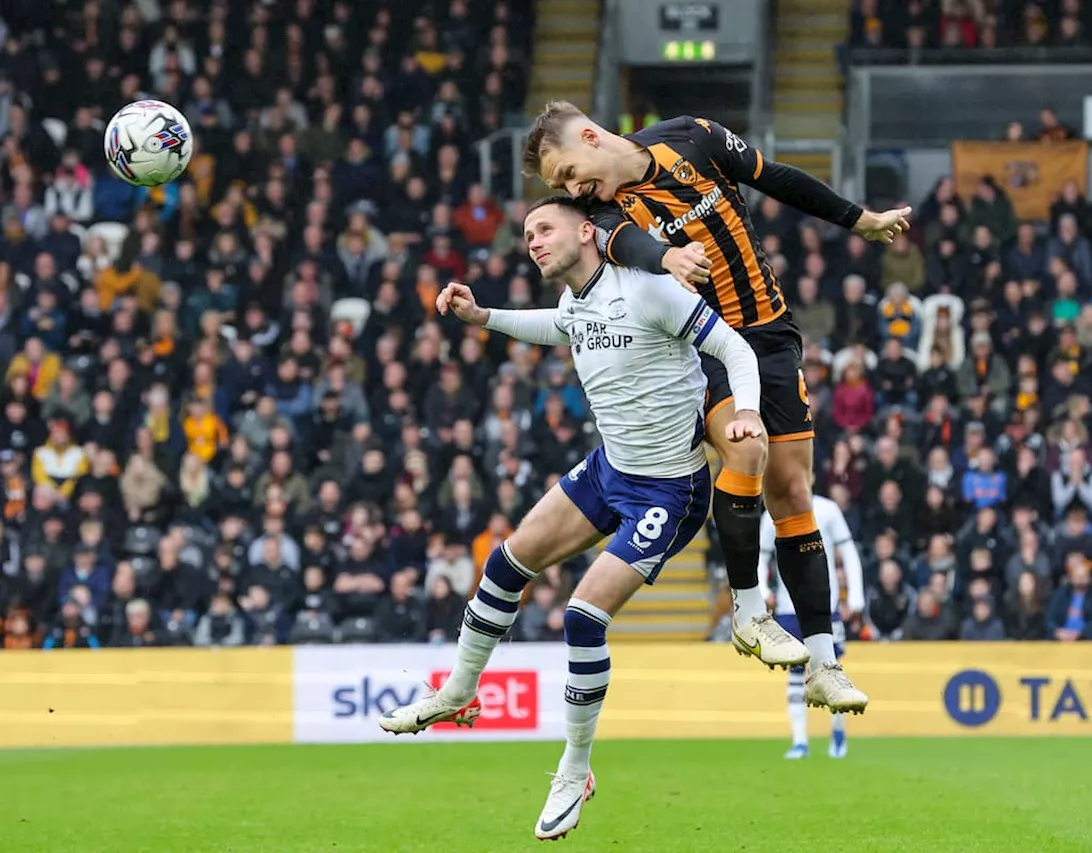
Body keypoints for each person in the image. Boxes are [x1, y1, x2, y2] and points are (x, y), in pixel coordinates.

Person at [379, 197, 801, 840]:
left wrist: (744, 409)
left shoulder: (652, 290)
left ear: (586, 232)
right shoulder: (580, 301)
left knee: (582, 616)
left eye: (544, 229)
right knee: (504, 563)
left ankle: (575, 769)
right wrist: (482, 315)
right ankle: (458, 693)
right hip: (609, 470)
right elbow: (560, 326)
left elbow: (735, 348)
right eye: (526, 235)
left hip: (667, 490)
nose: (533, 243)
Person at [521, 101, 904, 692]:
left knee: (794, 493)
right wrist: (668, 256)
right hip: (704, 349)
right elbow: (629, 247)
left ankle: (826, 664)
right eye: (561, 187)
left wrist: (858, 219)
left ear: (591, 137)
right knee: (746, 450)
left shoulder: (692, 136)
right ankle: (748, 609)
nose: (572, 188)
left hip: (771, 334)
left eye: (568, 172)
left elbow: (774, 176)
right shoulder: (600, 211)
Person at [759, 486, 865, 761]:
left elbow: (848, 551)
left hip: (824, 605)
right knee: (794, 672)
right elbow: (760, 554)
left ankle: (838, 732)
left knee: (831, 668)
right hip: (787, 606)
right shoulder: (773, 508)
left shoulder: (827, 509)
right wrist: (760, 589)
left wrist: (855, 594)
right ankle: (800, 741)